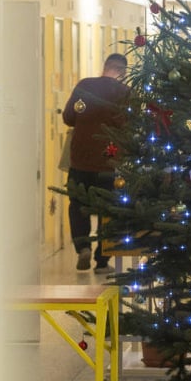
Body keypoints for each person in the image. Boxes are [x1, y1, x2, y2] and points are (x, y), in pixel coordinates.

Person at [62, 53, 129, 274]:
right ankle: (102, 261)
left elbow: (69, 117)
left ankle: (83, 247)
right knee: (108, 210)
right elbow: (130, 123)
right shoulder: (124, 93)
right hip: (109, 161)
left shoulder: (85, 85)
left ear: (105, 67)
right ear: (124, 72)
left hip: (80, 159)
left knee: (78, 206)